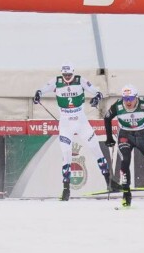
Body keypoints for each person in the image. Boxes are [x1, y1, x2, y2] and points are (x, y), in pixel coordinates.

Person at [34, 63, 111, 201]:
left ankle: (109, 182)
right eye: (65, 75)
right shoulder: (56, 82)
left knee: (96, 148)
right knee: (66, 155)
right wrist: (38, 94)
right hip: (65, 124)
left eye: (69, 75)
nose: (67, 77)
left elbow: (97, 91)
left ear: (73, 73)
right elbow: (41, 90)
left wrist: (96, 98)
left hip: (81, 122)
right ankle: (66, 190)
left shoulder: (80, 80)